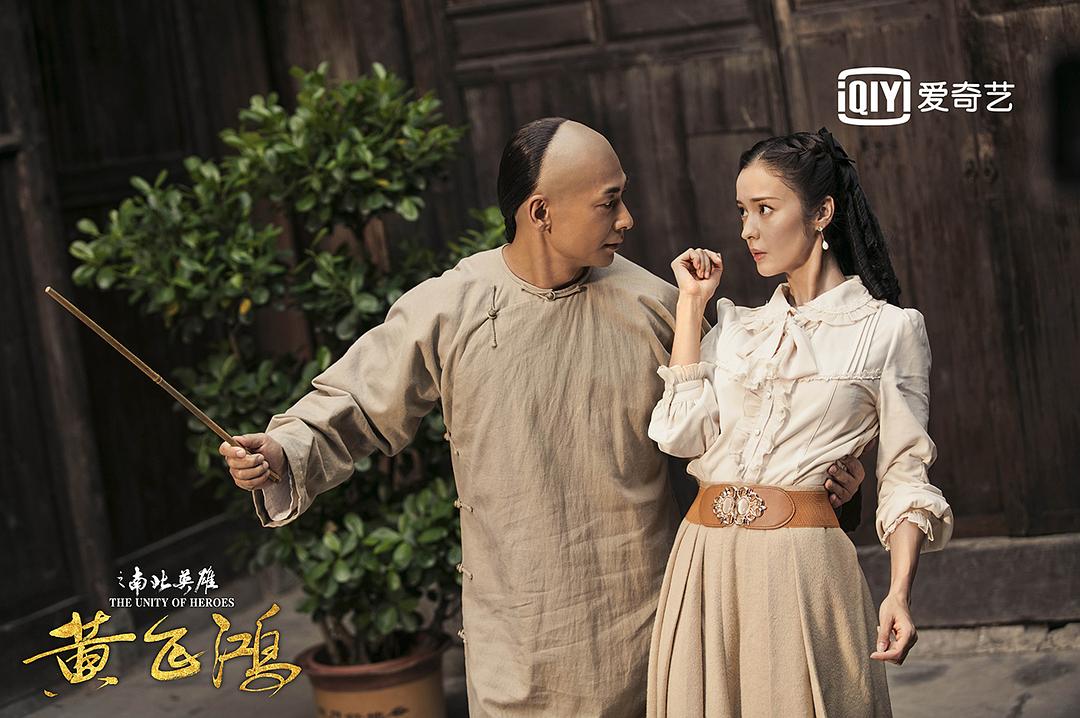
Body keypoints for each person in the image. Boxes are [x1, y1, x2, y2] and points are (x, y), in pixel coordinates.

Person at [219, 118, 865, 717]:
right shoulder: (450, 307)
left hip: (650, 631)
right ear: (540, 213)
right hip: (520, 640)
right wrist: (283, 451)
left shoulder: (655, 305)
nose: (628, 218)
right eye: (609, 202)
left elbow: (752, 422)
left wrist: (829, 481)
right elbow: (357, 400)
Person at [646, 128, 955, 717]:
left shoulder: (889, 331)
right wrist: (691, 306)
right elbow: (680, 434)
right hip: (703, 562)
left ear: (822, 213)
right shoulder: (735, 329)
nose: (748, 230)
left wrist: (899, 593)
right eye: (742, 211)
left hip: (801, 569)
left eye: (765, 209)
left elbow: (905, 472)